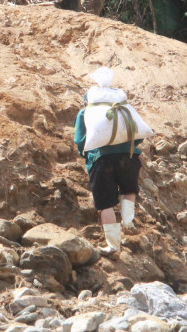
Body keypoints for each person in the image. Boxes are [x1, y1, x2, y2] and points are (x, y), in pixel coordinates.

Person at [73, 67, 143, 257]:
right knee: (128, 190)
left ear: (89, 100)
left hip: (101, 160)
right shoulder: (123, 110)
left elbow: (80, 141)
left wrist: (86, 155)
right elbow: (138, 136)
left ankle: (113, 245)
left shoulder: (85, 112)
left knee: (106, 203)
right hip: (129, 157)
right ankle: (128, 223)